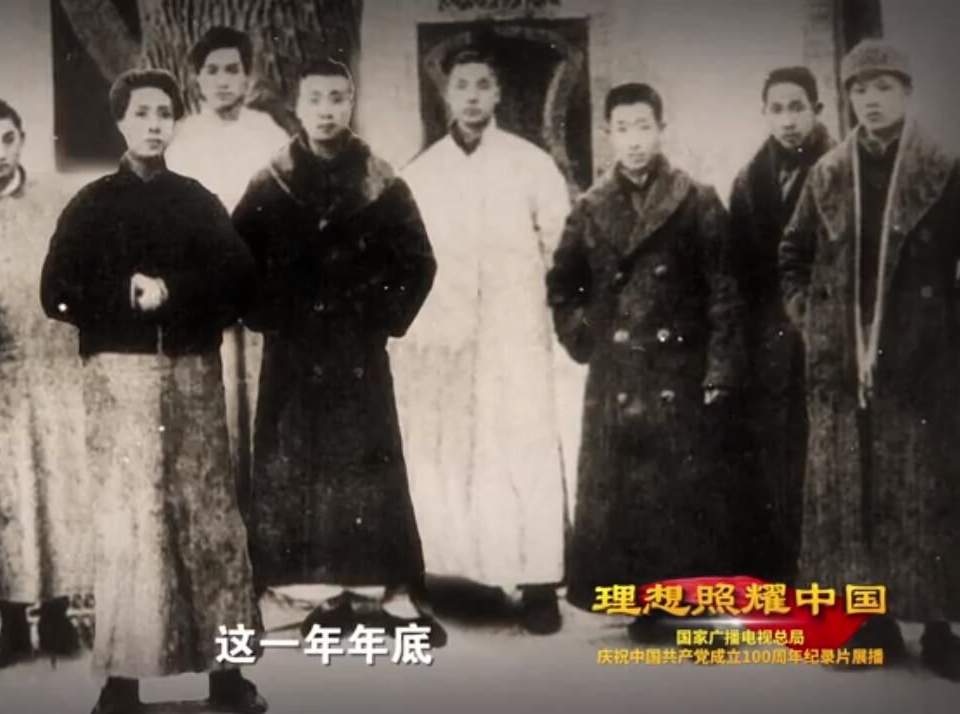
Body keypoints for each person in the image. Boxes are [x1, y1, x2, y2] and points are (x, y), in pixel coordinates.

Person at [40, 68, 265, 714]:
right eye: (141, 113)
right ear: (120, 121)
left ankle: (227, 676)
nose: (153, 124)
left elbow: (240, 280)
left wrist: (176, 292)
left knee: (208, 520)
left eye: (164, 113)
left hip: (192, 379)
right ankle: (122, 682)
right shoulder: (90, 205)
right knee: (130, 522)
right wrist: (122, 294)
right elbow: (55, 291)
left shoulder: (197, 201)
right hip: (119, 383)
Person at [232, 58, 442, 641]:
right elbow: (237, 258)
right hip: (293, 357)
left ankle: (385, 592)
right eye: (315, 99)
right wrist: (271, 312)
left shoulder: (382, 180)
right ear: (298, 107)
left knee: (367, 469)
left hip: (357, 354)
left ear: (350, 104)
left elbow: (418, 262)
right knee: (298, 472)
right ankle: (314, 596)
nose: (326, 111)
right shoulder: (269, 181)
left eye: (337, 98)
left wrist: (376, 314)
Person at [779, 39, 960, 680]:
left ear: (907, 93)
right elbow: (792, 255)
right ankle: (871, 621)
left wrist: (944, 331)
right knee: (853, 496)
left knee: (925, 492)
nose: (871, 101)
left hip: (921, 362)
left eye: (883, 87)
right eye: (859, 89)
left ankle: (940, 628)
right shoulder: (828, 173)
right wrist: (813, 321)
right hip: (843, 366)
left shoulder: (943, 169)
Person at [546, 83, 745, 643]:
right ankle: (641, 606)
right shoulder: (589, 208)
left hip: (679, 372)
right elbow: (563, 285)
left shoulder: (696, 200)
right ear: (608, 135)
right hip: (618, 375)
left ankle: (690, 610)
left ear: (661, 130)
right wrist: (586, 338)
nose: (633, 141)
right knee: (626, 497)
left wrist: (720, 369)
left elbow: (725, 291)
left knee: (683, 494)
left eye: (643, 127)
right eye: (622, 129)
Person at [394, 47, 571, 634]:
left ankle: (539, 582)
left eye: (482, 85)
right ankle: (462, 577)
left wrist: (547, 317)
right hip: (445, 341)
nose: (471, 96)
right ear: (447, 95)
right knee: (452, 454)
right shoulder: (422, 173)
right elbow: (405, 258)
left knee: (524, 449)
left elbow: (561, 249)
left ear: (497, 94)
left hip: (515, 335)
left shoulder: (530, 165)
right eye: (462, 85)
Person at [0, 98, 92, 670]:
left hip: (53, 366)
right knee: (3, 498)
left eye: (8, 139)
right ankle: (10, 625)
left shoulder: (54, 204)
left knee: (58, 488)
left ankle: (56, 614)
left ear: (23, 139)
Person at [167, 26, 290, 520]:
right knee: (212, 405)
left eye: (232, 70)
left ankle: (268, 520)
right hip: (205, 289)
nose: (223, 80)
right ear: (196, 79)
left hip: (260, 285)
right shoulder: (181, 139)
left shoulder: (270, 135)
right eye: (212, 71)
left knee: (263, 399)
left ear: (248, 77)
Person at [727, 66, 835, 583]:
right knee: (776, 458)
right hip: (768, 344)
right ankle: (782, 573)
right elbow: (737, 272)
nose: (788, 120)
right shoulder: (750, 181)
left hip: (825, 332)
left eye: (798, 107)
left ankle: (830, 574)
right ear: (763, 113)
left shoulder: (839, 169)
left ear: (817, 110)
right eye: (777, 109)